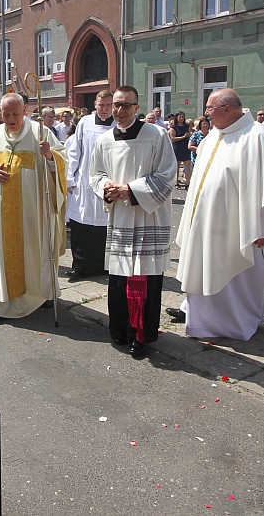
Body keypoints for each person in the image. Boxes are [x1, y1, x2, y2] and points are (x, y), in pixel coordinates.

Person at [171, 89, 264, 340]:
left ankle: (235, 324)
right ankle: (198, 316)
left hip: (241, 228)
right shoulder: (213, 135)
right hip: (207, 224)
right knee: (204, 268)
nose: (206, 114)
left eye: (210, 109)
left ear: (227, 109)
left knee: (235, 277)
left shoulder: (255, 136)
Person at [90, 87, 177, 359]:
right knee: (118, 278)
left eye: (126, 105)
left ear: (136, 107)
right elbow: (95, 174)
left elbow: (167, 176)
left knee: (146, 278)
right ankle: (119, 329)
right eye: (116, 105)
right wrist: (107, 187)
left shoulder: (156, 135)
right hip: (121, 217)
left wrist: (130, 190)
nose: (119, 110)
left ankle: (143, 334)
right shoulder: (104, 139)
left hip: (148, 217)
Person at [0, 93, 67, 329]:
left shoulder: (40, 132)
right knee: (0, 257)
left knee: (34, 251)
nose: (11, 119)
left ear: (25, 110)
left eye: (15, 113)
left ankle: (42, 293)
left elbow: (61, 160)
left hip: (32, 212)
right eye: (6, 115)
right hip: (1, 210)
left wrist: (49, 155)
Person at [64, 89, 115, 279]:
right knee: (81, 226)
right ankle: (80, 266)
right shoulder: (85, 123)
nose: (104, 109)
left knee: (105, 229)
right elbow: (74, 151)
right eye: (101, 105)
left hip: (107, 182)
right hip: (84, 183)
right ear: (95, 105)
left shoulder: (118, 125)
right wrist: (70, 178)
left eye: (108, 105)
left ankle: (105, 265)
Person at [169, 112, 192, 189]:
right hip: (177, 147)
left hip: (185, 147)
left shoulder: (186, 126)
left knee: (187, 164)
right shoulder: (173, 127)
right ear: (177, 118)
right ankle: (176, 182)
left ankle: (187, 182)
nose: (181, 118)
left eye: (183, 117)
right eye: (180, 117)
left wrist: (189, 135)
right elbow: (173, 138)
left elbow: (189, 133)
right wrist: (183, 137)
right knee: (177, 166)